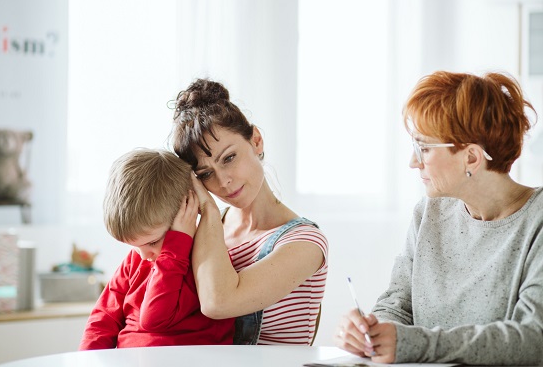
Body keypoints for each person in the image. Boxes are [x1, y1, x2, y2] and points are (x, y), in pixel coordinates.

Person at [334, 71, 543, 364]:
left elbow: (533, 339)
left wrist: (417, 343)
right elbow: (396, 305)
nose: (413, 162)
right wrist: (372, 330)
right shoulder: (429, 213)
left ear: (471, 157)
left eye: (424, 148)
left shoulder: (537, 222)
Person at [171, 78, 328, 345]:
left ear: (256, 141)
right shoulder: (209, 232)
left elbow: (217, 302)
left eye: (229, 158)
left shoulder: (305, 243)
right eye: (206, 174)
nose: (223, 181)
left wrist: (207, 206)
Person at [79, 148, 234, 349]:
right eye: (135, 246)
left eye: (152, 242)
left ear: (185, 213)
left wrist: (175, 249)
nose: (143, 255)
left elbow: (154, 318)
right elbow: (104, 317)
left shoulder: (208, 258)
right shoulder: (137, 257)